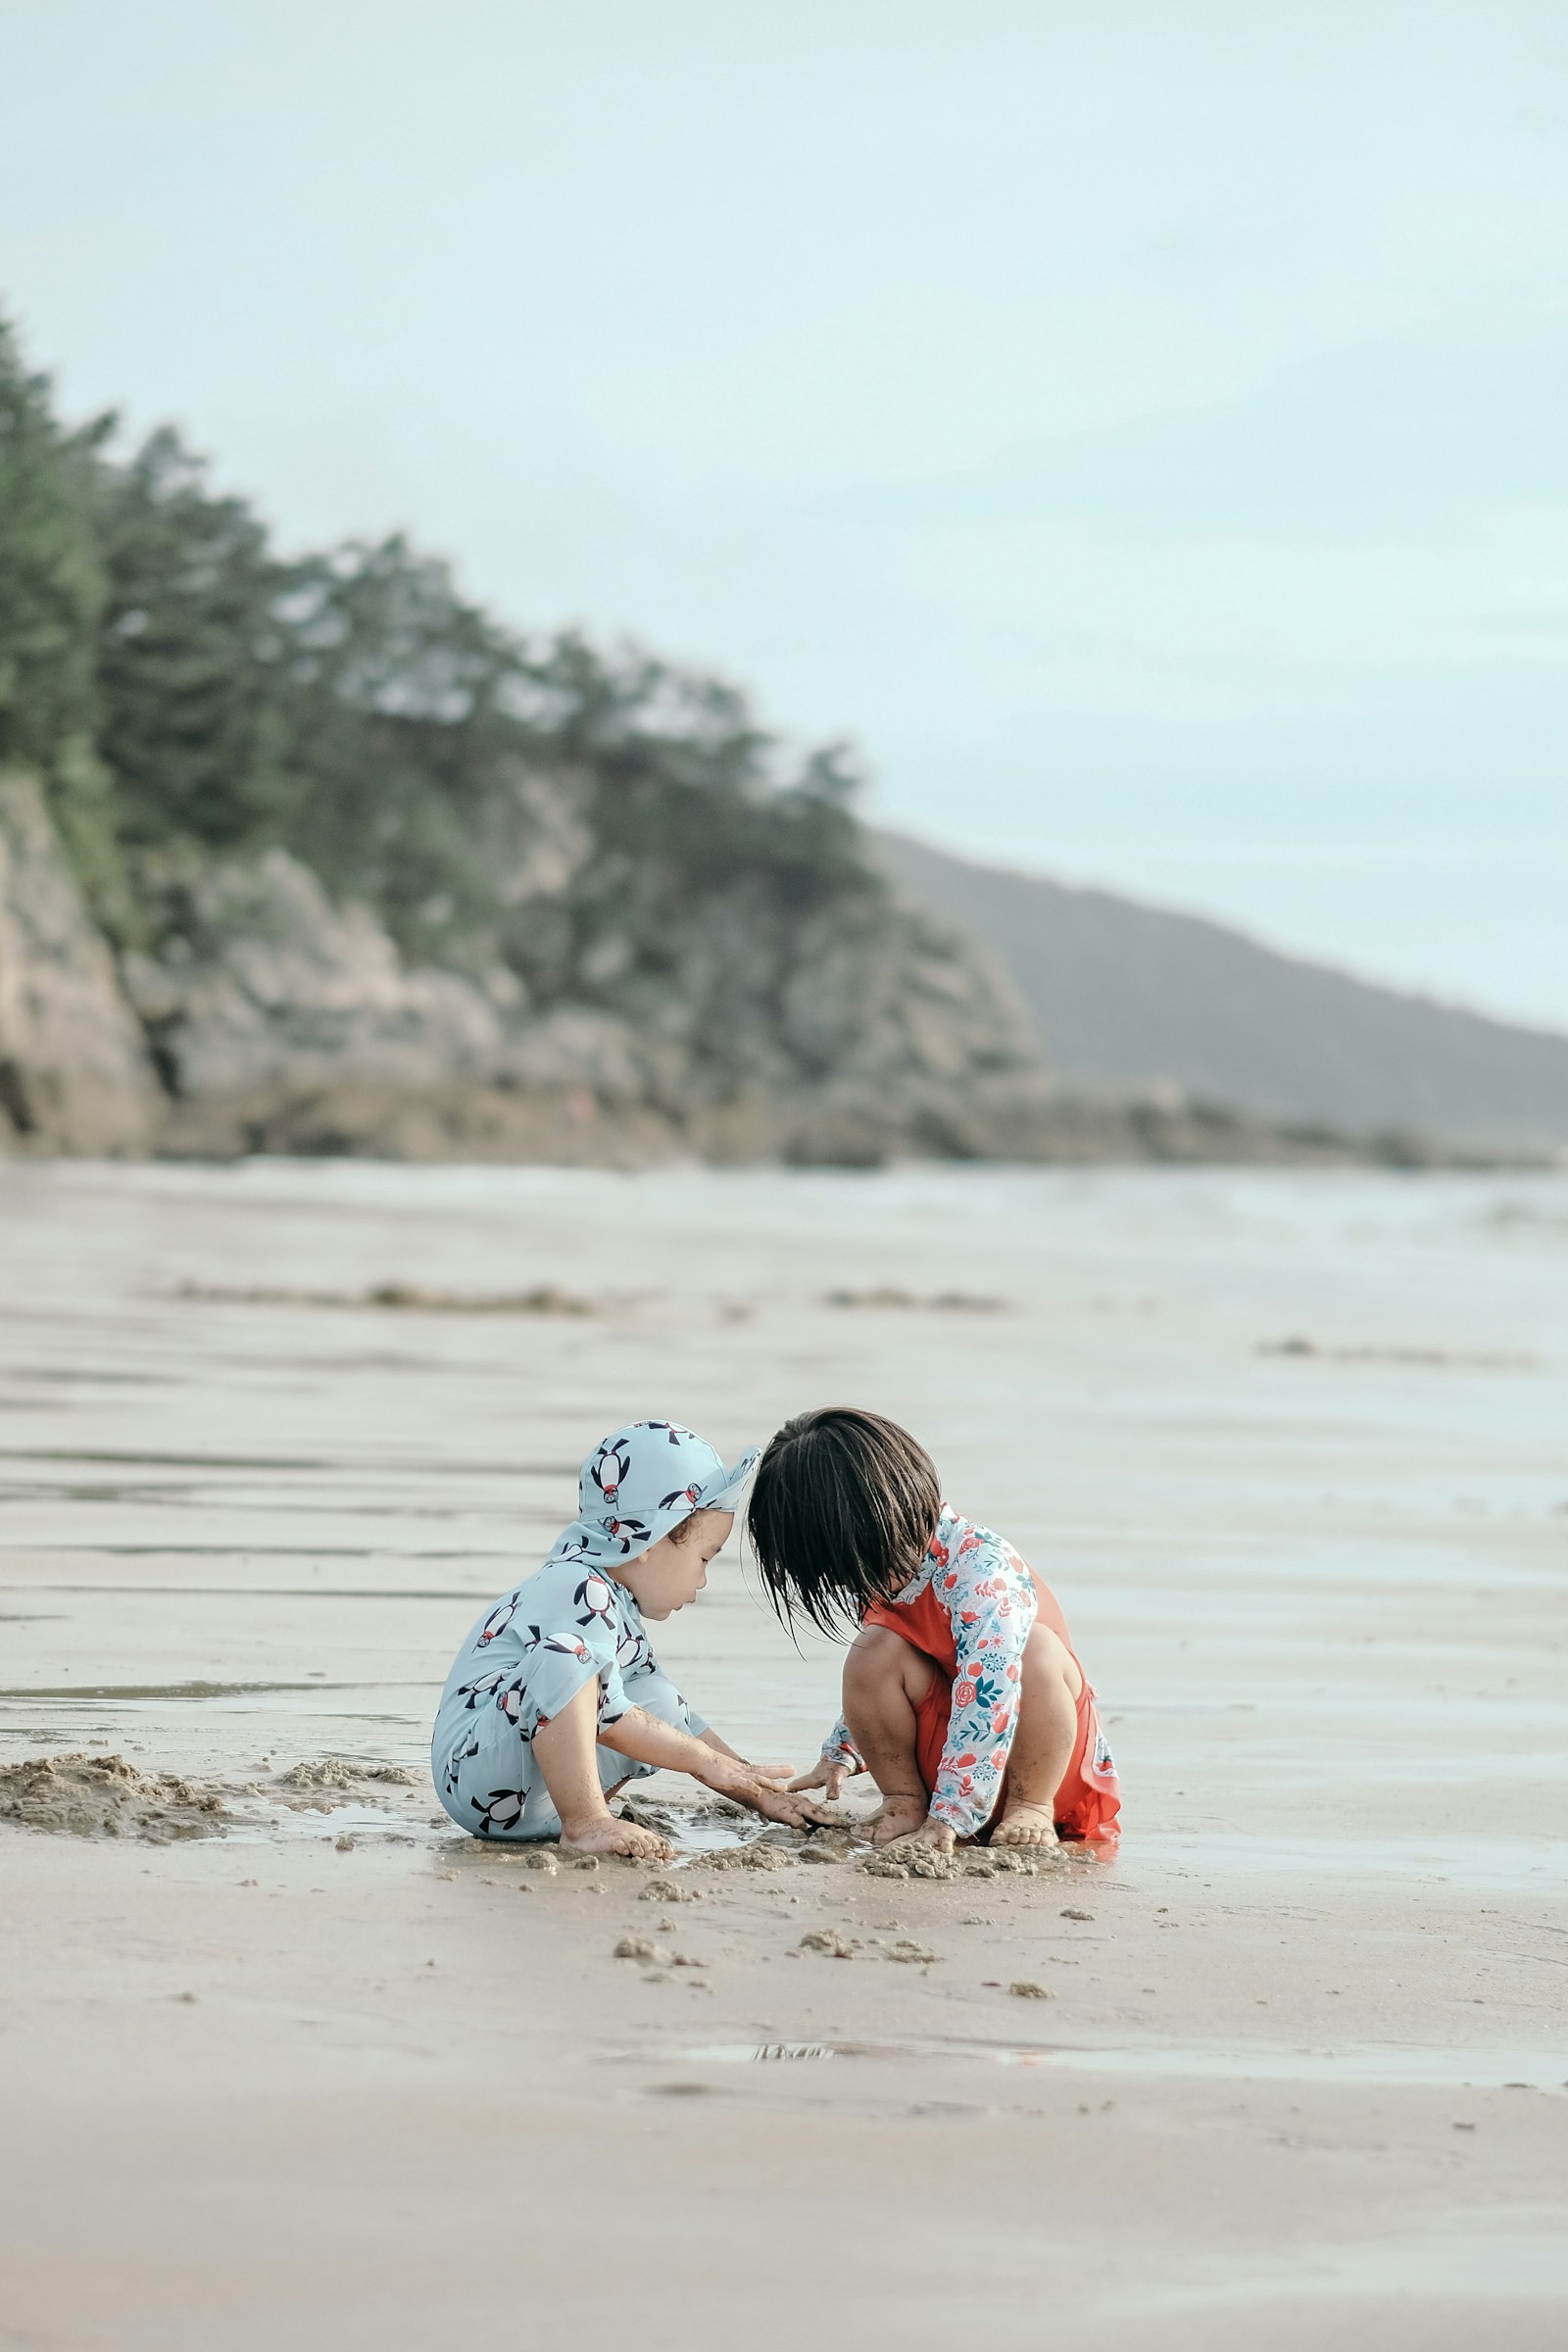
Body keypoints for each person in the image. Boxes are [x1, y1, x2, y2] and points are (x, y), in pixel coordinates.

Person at [431, 1419, 819, 1860]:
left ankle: (579, 1813)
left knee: (659, 1702)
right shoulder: (578, 1585)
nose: (703, 1581)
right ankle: (586, 1821)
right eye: (704, 1558)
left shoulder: (619, 1606)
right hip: (478, 1773)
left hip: (530, 1802)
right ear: (652, 1538)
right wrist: (702, 1761)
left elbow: (678, 1722)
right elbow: (608, 1716)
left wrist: (753, 1784)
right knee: (567, 1659)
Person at [747, 1405, 1119, 1855]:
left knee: (1037, 1651)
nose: (844, 1580)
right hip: (952, 1763)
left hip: (1038, 1760)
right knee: (875, 1648)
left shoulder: (982, 1574)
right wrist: (842, 1752)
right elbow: (880, 1685)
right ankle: (904, 1799)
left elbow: (990, 1695)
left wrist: (953, 1815)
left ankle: (1029, 1808)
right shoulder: (888, 1567)